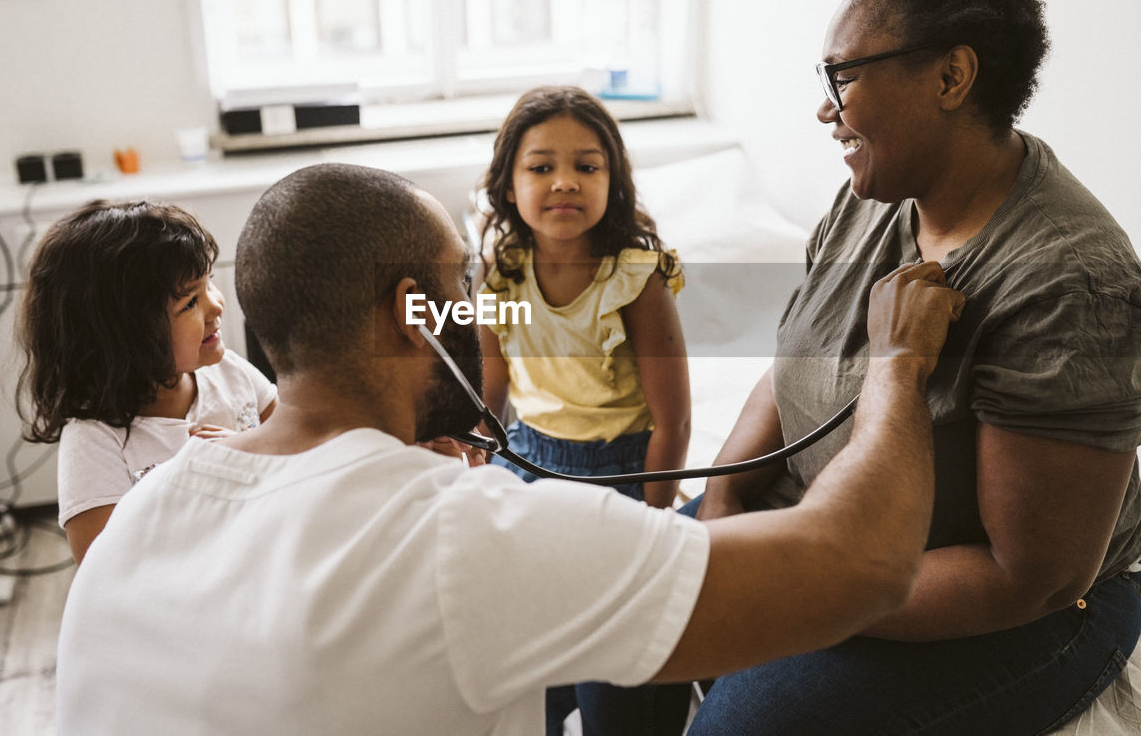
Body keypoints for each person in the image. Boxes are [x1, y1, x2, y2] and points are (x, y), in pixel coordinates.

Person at [56, 162, 965, 735]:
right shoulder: (464, 534)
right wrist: (896, 363)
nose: (481, 311)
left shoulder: (141, 517)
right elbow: (864, 564)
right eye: (463, 290)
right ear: (412, 312)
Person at [681, 0, 1141, 734]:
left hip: (1004, 609)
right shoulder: (874, 195)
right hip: (826, 536)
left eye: (843, 77)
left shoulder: (1069, 283)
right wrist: (719, 508)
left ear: (951, 76)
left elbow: (1031, 577)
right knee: (620, 628)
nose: (825, 109)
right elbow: (797, 359)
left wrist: (799, 585)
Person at [477, 86, 691, 730]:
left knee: (613, 675)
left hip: (622, 477)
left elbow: (674, 419)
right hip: (526, 464)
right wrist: (473, 469)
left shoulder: (633, 278)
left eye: (586, 166)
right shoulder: (500, 275)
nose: (564, 182)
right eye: (541, 167)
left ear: (613, 182)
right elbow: (488, 400)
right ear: (509, 186)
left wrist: (652, 519)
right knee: (524, 667)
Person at [17, 200, 277, 564]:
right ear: (122, 335)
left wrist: (253, 451)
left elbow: (301, 442)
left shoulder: (231, 371)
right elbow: (102, 568)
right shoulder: (95, 441)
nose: (216, 306)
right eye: (189, 302)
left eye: (209, 284)